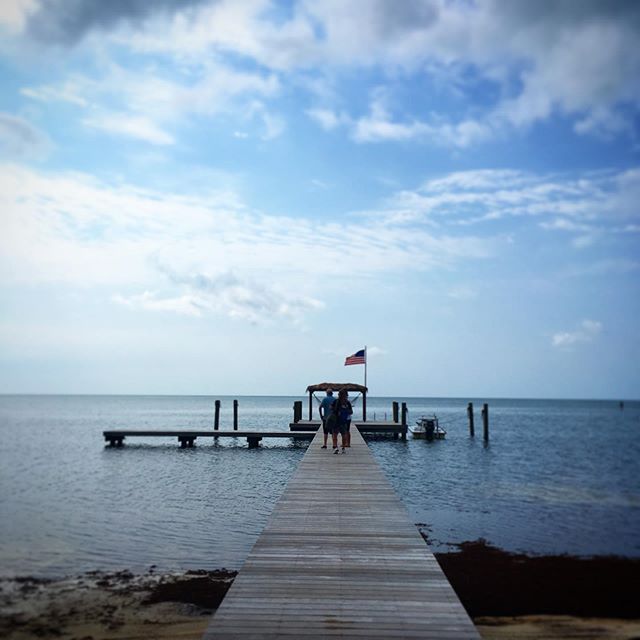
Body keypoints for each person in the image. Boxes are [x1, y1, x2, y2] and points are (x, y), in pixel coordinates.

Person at [332, 388, 353, 454]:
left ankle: (339, 447)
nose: (339, 395)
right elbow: (351, 412)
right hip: (341, 421)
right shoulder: (343, 402)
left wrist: (344, 411)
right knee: (340, 435)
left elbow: (351, 411)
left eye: (340, 394)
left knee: (339, 435)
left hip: (340, 421)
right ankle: (340, 448)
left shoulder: (345, 402)